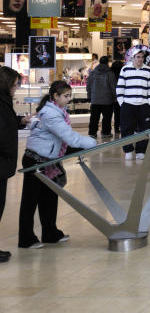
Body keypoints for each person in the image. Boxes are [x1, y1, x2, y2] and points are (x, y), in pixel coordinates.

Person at [19, 81, 97, 249]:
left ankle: (50, 233)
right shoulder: (51, 114)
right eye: (66, 96)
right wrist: (92, 142)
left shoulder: (57, 111)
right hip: (36, 160)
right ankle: (25, 239)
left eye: (70, 96)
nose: (69, 99)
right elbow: (69, 137)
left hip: (48, 160)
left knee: (49, 197)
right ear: (55, 96)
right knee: (30, 201)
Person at [0, 66, 26, 262]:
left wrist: (20, 121)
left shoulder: (4, 102)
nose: (16, 89)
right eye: (14, 85)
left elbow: (6, 123)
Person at [117, 50, 150, 161]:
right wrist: (122, 102)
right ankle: (128, 150)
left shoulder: (148, 71)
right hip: (128, 104)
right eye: (138, 57)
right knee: (126, 128)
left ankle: (140, 151)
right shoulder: (125, 69)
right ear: (133, 57)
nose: (140, 59)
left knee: (143, 129)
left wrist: (149, 103)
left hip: (143, 105)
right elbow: (120, 87)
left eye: (142, 57)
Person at [86, 56, 117, 139]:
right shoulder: (110, 73)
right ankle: (106, 132)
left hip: (95, 99)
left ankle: (92, 133)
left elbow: (88, 85)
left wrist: (89, 96)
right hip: (107, 100)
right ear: (107, 62)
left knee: (94, 117)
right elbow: (113, 87)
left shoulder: (93, 73)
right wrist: (115, 97)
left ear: (99, 62)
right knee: (107, 118)